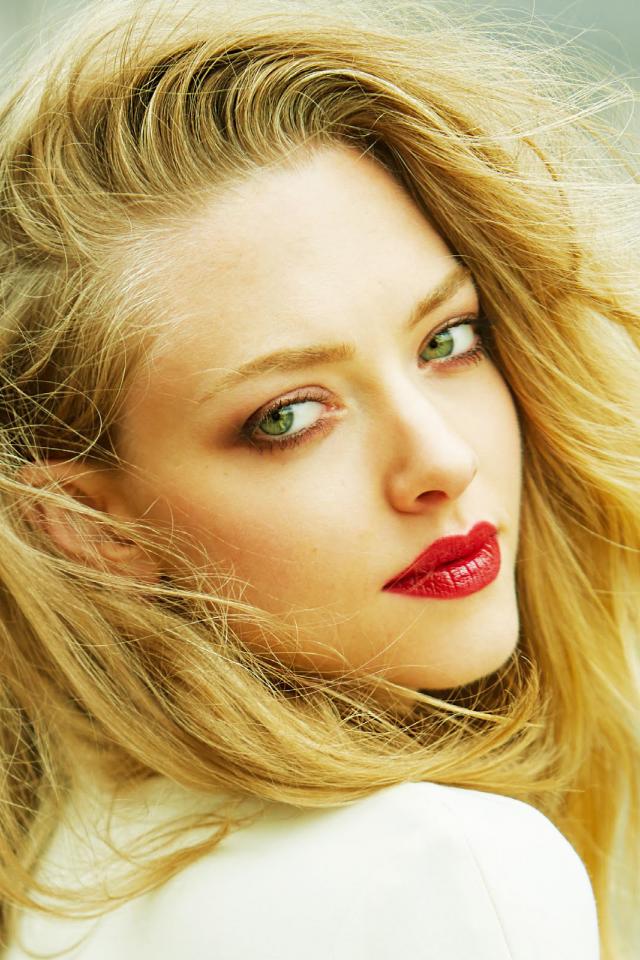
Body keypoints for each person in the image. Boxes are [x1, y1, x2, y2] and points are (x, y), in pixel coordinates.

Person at [0, 0, 638, 957]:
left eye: (446, 341)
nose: (444, 461)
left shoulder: (68, 874)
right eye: (289, 417)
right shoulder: (446, 871)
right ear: (93, 527)